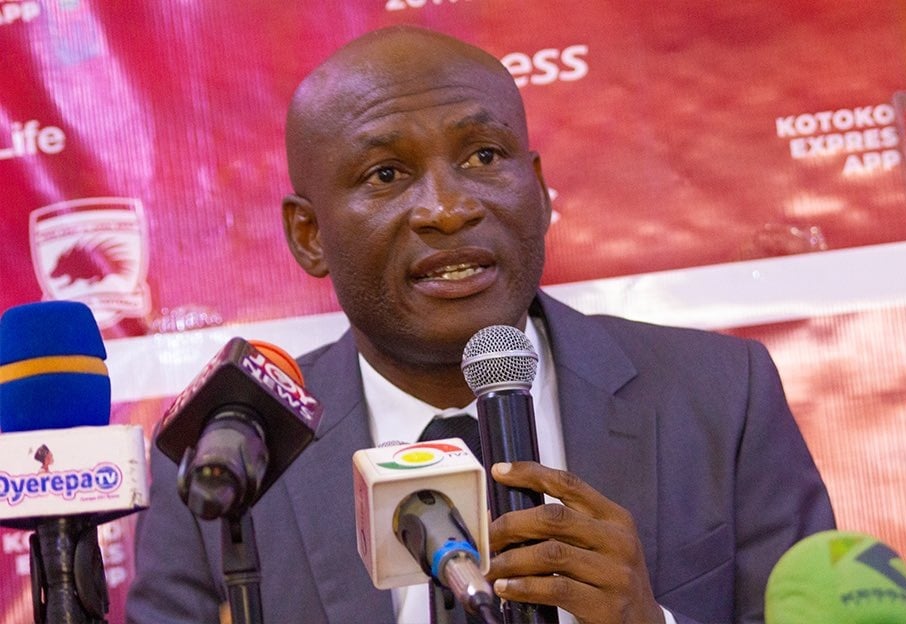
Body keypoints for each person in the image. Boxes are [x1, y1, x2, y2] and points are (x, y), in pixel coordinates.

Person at [127, 25, 835, 624]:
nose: (448, 208)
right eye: (385, 174)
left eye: (483, 157)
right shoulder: (231, 455)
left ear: (540, 190)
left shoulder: (720, 397)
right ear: (309, 235)